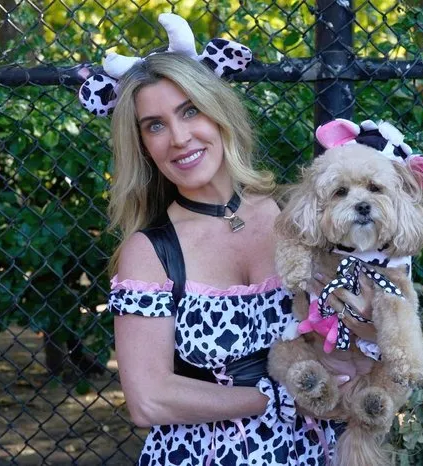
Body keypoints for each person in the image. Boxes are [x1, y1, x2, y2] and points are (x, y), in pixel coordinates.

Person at [102, 32, 380, 464]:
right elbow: (149, 400)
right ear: (142, 145)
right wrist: (277, 399)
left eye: (189, 111)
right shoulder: (151, 251)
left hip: (316, 449)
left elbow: (355, 327)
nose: (178, 137)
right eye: (154, 125)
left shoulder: (297, 215)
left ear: (218, 113)